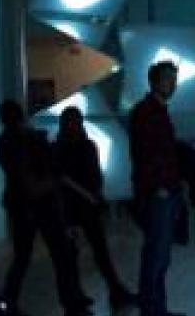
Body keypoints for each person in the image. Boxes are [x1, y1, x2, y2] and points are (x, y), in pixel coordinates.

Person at [0, 100, 90, 316]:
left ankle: (8, 303)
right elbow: (52, 170)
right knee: (61, 255)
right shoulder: (34, 138)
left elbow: (16, 174)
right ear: (22, 115)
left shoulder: (2, 142)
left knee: (22, 257)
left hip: (20, 206)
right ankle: (72, 305)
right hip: (44, 203)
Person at [51, 106, 136, 310]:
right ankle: (112, 291)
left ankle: (78, 296)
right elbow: (93, 175)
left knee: (78, 254)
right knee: (96, 252)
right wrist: (93, 195)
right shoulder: (86, 146)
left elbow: (64, 179)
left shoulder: (60, 148)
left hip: (75, 206)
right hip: (82, 205)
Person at [128, 61, 185, 316]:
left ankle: (157, 309)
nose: (172, 84)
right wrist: (159, 187)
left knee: (159, 257)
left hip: (164, 191)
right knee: (156, 256)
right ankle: (152, 310)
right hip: (158, 193)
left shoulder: (156, 111)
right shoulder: (146, 112)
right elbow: (146, 154)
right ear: (153, 82)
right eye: (167, 79)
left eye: (174, 79)